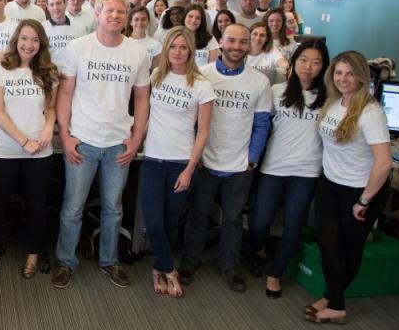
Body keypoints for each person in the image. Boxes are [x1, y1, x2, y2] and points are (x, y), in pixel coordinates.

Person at [53, 0, 150, 289]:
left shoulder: (138, 52)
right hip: (83, 140)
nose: (116, 16)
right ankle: (66, 262)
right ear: (97, 14)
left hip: (118, 144)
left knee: (114, 207)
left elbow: (143, 99)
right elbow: (65, 94)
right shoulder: (78, 48)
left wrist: (136, 140)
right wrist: (65, 135)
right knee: (72, 207)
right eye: (110, 11)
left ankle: (110, 261)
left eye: (121, 12)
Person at [181, 23, 272, 292]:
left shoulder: (259, 81)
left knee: (232, 219)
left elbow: (262, 124)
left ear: (249, 46)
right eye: (231, 41)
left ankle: (229, 266)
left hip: (239, 164)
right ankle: (190, 259)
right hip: (205, 160)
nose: (236, 47)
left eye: (243, 42)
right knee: (197, 214)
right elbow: (192, 119)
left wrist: (252, 158)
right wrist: (193, 156)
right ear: (221, 41)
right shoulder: (202, 74)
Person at [309, 51, 392, 324]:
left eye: (349, 73)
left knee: (347, 247)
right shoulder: (335, 102)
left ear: (361, 77)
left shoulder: (371, 112)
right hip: (331, 183)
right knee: (327, 244)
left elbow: (383, 164)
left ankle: (336, 305)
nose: (343, 79)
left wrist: (365, 201)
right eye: (338, 73)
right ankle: (334, 297)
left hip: (360, 191)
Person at [249, 40, 329, 299]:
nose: (308, 67)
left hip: (307, 172)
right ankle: (259, 248)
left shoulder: (328, 99)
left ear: (323, 67)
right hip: (274, 167)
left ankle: (275, 273)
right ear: (294, 62)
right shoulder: (276, 91)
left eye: (316, 62)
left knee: (293, 226)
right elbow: (259, 126)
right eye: (304, 60)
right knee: (259, 222)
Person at [139, 27, 213, 298]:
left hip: (181, 163)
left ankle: (157, 269)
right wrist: (135, 139)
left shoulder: (201, 84)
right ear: (166, 50)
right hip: (153, 161)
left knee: (170, 222)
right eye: (173, 47)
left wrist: (190, 169)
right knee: (155, 223)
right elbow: (147, 116)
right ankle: (171, 270)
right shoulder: (157, 75)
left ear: (191, 51)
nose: (178, 52)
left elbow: (203, 131)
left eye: (183, 47)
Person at [0, 20, 59, 279]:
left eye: (35, 40)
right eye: (25, 39)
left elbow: (50, 109)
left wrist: (49, 127)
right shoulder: (0, 71)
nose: (29, 45)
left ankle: (33, 253)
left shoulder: (48, 72)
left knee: (37, 205)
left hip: (40, 152)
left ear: (42, 44)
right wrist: (23, 141)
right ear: (16, 40)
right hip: (7, 150)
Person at [43, 0, 88, 66]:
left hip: (73, 74)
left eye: (59, 3)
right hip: (49, 74)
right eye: (52, 4)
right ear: (47, 7)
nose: (56, 7)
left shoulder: (79, 28)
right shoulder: (41, 28)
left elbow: (83, 55)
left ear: (65, 3)